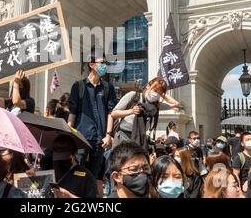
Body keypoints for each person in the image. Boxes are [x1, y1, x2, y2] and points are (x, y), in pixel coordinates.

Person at [67, 50, 117, 185]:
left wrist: (108, 135)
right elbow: (73, 112)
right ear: (91, 64)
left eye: (105, 63)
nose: (104, 66)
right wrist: (68, 133)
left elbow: (110, 113)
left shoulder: (108, 88)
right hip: (81, 138)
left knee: (93, 177)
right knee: (77, 172)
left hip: (100, 140)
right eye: (102, 63)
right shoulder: (78, 86)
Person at [111, 78, 179, 149]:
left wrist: (162, 94)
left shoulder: (155, 106)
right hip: (124, 136)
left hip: (139, 139)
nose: (155, 94)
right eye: (155, 90)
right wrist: (131, 111)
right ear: (148, 86)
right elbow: (114, 113)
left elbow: (175, 103)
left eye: (159, 93)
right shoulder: (133, 96)